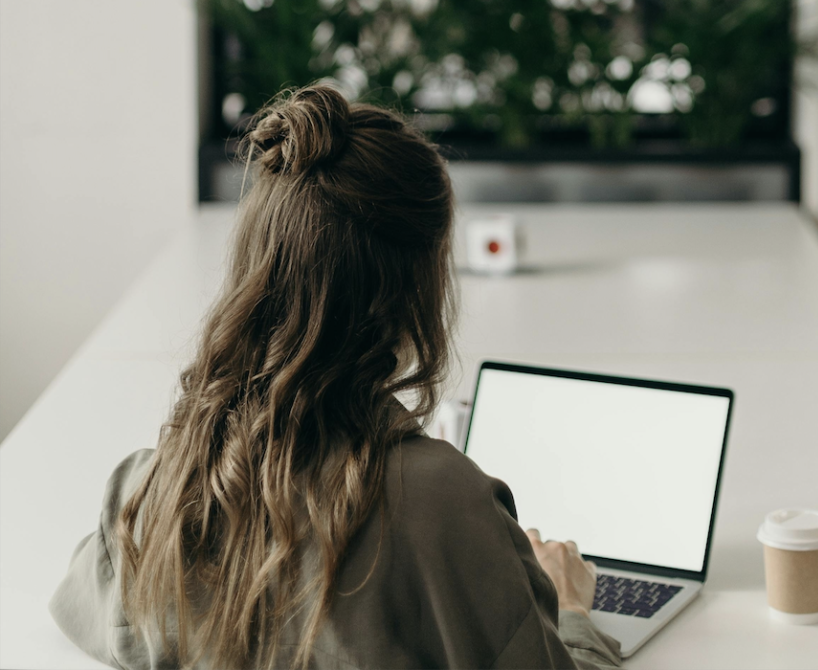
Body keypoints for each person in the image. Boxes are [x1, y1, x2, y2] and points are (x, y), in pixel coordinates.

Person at [50, 84, 622, 670]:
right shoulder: (445, 507)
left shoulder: (150, 493)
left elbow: (87, 611)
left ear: (254, 269)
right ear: (417, 292)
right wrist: (571, 610)